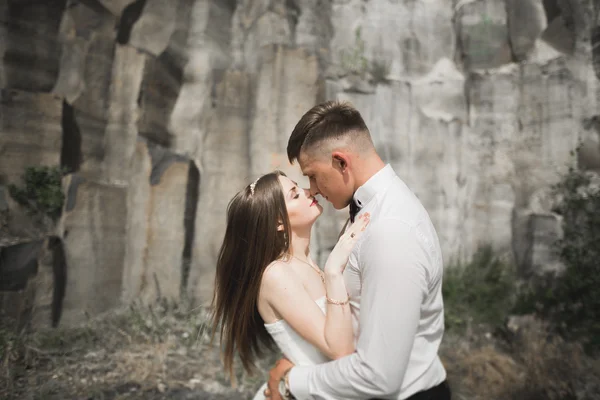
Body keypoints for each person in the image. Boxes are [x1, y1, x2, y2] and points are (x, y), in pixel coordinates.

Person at [265, 100, 451, 399]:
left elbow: (378, 377)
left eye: (312, 174)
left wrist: (292, 382)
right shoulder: (373, 212)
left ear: (341, 162)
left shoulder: (390, 231)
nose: (311, 188)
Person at [210, 170, 371, 400]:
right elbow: (340, 351)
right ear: (278, 222)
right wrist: (334, 270)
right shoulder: (277, 275)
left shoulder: (308, 263)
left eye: (299, 187)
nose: (308, 192)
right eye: (295, 194)